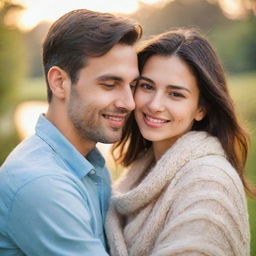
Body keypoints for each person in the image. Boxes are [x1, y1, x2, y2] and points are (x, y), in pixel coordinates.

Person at [0, 9, 142, 255]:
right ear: (59, 82)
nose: (129, 103)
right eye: (110, 85)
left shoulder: (89, 163)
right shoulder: (41, 183)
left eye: (132, 85)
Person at [105, 28, 252, 256]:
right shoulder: (142, 172)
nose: (154, 104)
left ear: (201, 108)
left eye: (175, 94)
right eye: (147, 86)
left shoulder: (208, 183)